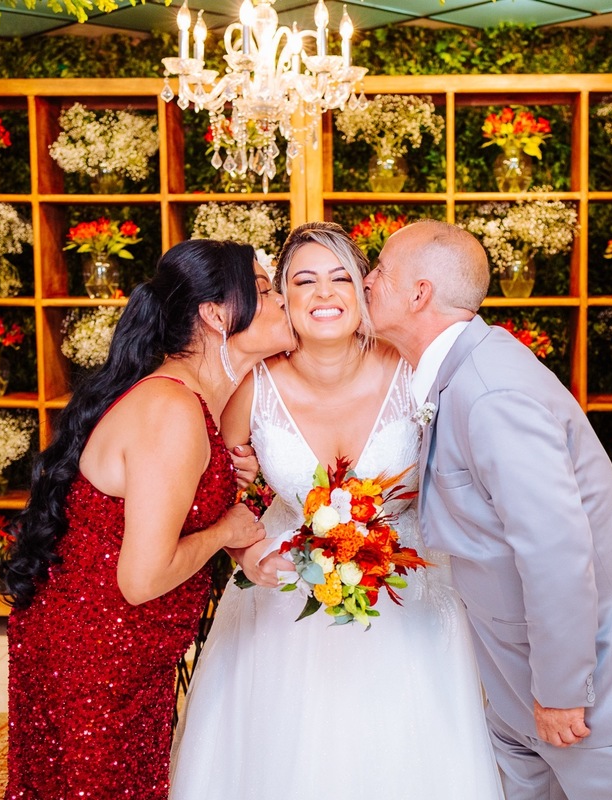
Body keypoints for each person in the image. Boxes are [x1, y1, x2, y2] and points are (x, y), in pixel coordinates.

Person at [364, 219, 612, 800]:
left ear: (418, 293)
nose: (365, 282)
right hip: (519, 684)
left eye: (378, 271)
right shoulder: (457, 375)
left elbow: (556, 549)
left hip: (593, 688)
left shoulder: (492, 391)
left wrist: (563, 689)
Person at [169, 222, 504, 800]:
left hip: (409, 588)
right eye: (304, 281)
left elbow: (467, 474)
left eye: (340, 278)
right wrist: (246, 552)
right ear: (282, 301)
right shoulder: (253, 385)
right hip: (281, 594)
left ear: (364, 290)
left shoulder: (413, 371)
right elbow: (213, 495)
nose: (325, 295)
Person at [2, 239, 295, 800]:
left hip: (118, 651)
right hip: (96, 656)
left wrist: (238, 489)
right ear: (215, 316)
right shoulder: (173, 410)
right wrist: (223, 532)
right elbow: (142, 580)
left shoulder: (192, 400)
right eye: (263, 291)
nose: (282, 301)